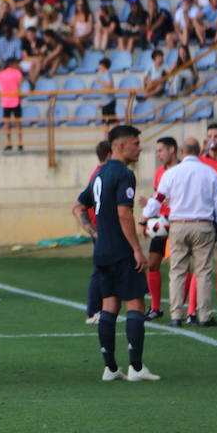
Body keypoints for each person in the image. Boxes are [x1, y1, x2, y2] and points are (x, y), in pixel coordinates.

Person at [73, 125, 159, 382]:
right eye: (135, 143)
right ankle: (136, 367)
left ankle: (110, 368)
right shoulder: (124, 174)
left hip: (102, 251)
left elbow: (78, 206)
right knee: (135, 303)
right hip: (121, 250)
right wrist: (136, 249)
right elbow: (124, 213)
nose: (139, 147)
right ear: (120, 146)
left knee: (109, 304)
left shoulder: (99, 174)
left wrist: (93, 231)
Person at [143, 138, 217, 327]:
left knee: (177, 271)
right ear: (198, 151)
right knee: (203, 271)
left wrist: (145, 217)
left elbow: (158, 198)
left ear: (181, 151)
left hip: (178, 224)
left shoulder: (171, 173)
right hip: (203, 225)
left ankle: (176, 315)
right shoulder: (210, 172)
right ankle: (204, 315)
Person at [140, 137, 179, 321]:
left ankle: (181, 308)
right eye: (156, 151)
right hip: (161, 224)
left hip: (180, 222)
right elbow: (158, 198)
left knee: (179, 266)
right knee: (153, 263)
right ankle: (155, 307)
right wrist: (147, 218)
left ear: (172, 150)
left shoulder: (183, 171)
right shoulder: (159, 173)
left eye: (160, 150)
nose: (158, 154)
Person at [199, 122, 217, 323]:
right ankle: (193, 311)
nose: (213, 139)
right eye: (210, 136)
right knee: (201, 265)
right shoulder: (200, 163)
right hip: (205, 216)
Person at [83, 140, 112, 325]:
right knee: (100, 269)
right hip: (101, 229)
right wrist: (95, 229)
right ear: (110, 154)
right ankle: (94, 310)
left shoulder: (98, 174)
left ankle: (102, 309)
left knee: (105, 269)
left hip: (99, 228)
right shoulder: (101, 175)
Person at [0, 58, 23, 151]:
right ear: (12, 64)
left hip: (6, 101)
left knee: (7, 124)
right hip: (15, 100)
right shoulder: (17, 73)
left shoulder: (2, 74)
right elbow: (20, 83)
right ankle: (20, 143)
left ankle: (9, 143)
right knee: (17, 123)